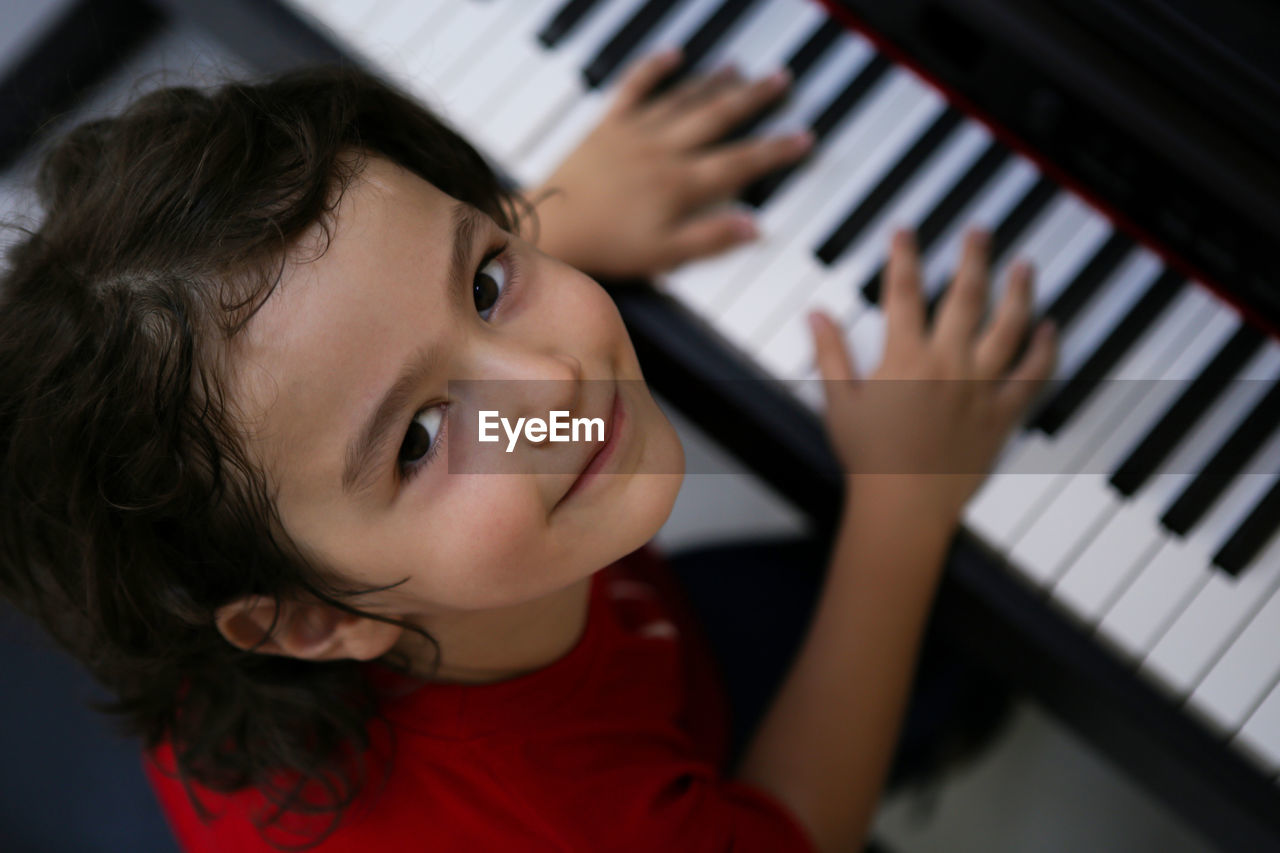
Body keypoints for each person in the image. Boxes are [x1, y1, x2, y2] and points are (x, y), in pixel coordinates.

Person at [0, 47, 1054, 853]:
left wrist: (547, 217)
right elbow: (787, 826)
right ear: (313, 619)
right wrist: (899, 507)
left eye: (487, 281)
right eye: (417, 437)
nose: (551, 386)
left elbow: (339, 340)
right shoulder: (579, 822)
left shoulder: (227, 550)